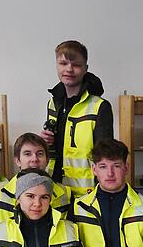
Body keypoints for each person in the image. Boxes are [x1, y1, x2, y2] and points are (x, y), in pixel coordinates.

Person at [40, 40, 113, 194]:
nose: (69, 69)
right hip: (55, 187)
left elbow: (104, 156)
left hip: (86, 191)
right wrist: (45, 141)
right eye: (63, 63)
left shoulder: (100, 106)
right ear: (56, 65)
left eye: (76, 65)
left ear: (85, 68)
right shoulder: (53, 102)